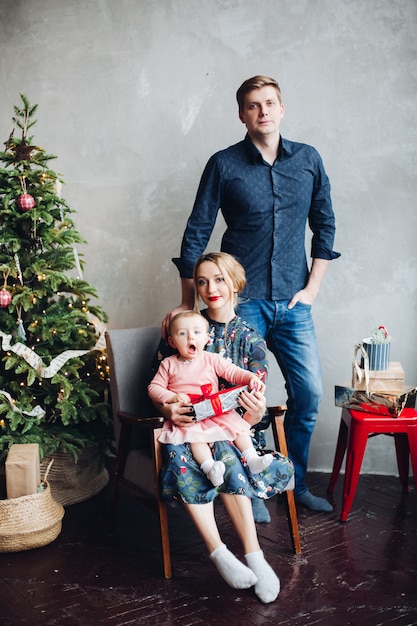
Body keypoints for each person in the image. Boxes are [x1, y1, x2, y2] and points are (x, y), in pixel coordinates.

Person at [165, 75, 340, 513]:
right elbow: (197, 233)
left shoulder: (308, 160)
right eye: (252, 106)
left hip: (293, 303)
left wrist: (312, 289)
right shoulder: (223, 164)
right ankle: (249, 483)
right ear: (242, 114)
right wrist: (190, 307)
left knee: (310, 394)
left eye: (270, 103)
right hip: (239, 305)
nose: (263, 111)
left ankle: (293, 483)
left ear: (281, 109)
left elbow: (326, 225)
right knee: (237, 399)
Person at [153, 252, 295, 603]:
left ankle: (254, 555)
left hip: (234, 431)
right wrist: (168, 408)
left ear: (235, 282)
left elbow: (254, 403)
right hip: (185, 431)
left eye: (218, 279)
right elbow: (157, 385)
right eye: (201, 281)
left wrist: (254, 408)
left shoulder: (250, 339)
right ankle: (220, 554)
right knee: (181, 452)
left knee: (226, 452)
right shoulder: (182, 325)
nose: (210, 288)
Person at [149, 310, 273, 487]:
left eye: (197, 333)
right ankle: (210, 468)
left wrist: (250, 378)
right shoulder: (168, 364)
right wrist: (172, 397)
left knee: (239, 428)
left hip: (214, 409)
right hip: (189, 414)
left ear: (207, 338)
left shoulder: (211, 359)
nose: (190, 338)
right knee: (195, 439)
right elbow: (153, 388)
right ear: (172, 341)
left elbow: (233, 373)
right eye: (182, 333)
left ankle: (252, 459)